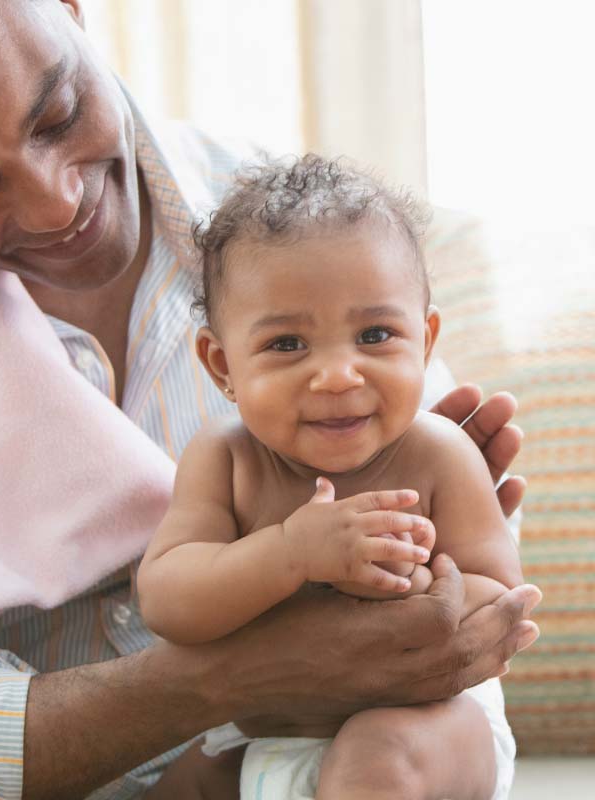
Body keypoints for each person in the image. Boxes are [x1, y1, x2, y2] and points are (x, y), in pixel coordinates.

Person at [0, 2, 540, 799]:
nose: (57, 206)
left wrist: (438, 585)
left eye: (57, 114)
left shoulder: (312, 239)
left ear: (73, 10)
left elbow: (485, 593)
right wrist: (233, 674)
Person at [137, 155, 524, 800]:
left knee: (375, 763)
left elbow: (502, 598)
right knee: (182, 783)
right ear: (221, 364)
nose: (339, 375)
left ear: (424, 344)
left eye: (375, 334)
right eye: (287, 344)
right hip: (263, 735)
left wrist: (412, 589)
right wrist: (289, 553)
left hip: (426, 729)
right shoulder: (223, 460)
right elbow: (168, 598)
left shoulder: (440, 453)